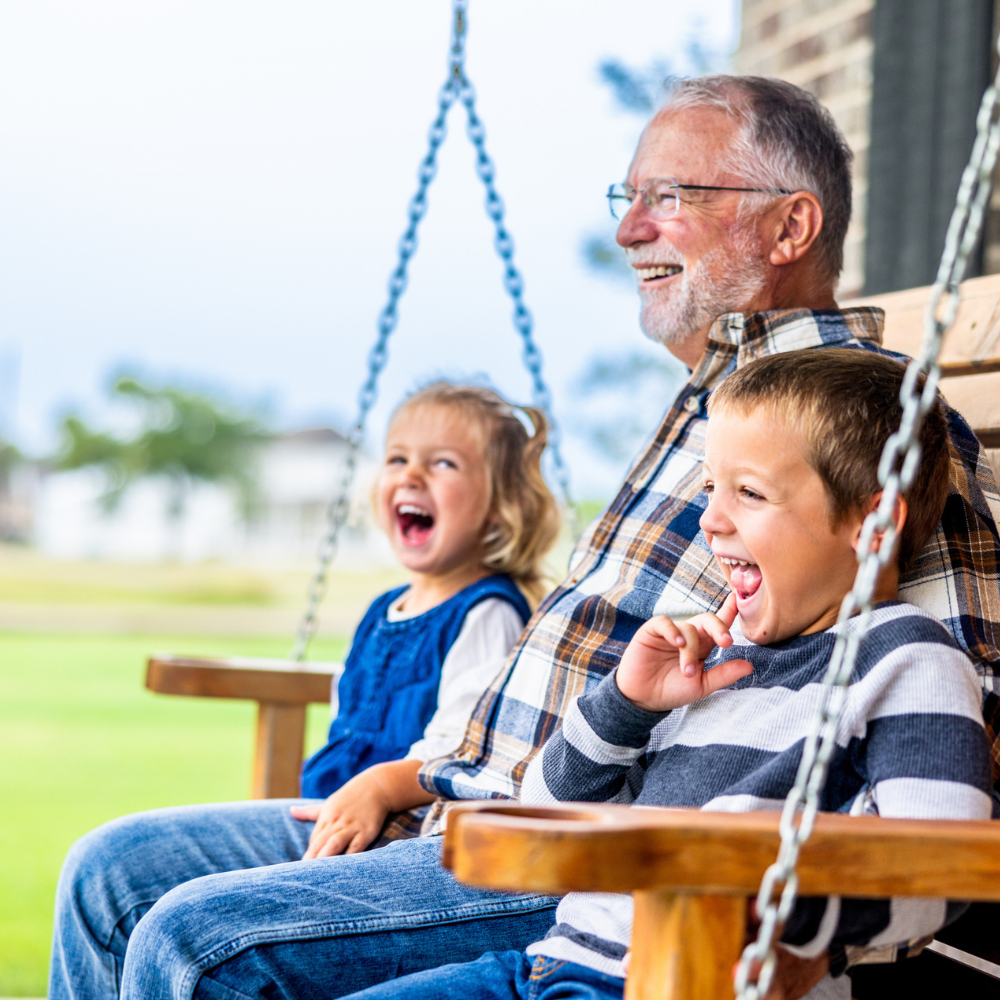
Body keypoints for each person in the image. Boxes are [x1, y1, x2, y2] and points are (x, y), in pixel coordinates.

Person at [50, 76, 1000, 1000]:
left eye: (669, 196)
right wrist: (416, 775)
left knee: (200, 943)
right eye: (629, 197)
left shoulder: (862, 425)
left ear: (791, 226)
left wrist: (790, 926)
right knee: (108, 876)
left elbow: (953, 720)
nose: (630, 228)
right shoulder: (721, 410)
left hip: (581, 860)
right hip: (461, 799)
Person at [330, 348, 994, 1000]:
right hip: (547, 964)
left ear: (874, 525)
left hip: (682, 976)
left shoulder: (909, 659)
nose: (711, 519)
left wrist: (786, 930)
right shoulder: (712, 659)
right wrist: (626, 703)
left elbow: (942, 867)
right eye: (711, 488)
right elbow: (546, 808)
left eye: (749, 493)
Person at [292, 381, 560, 857]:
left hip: (403, 830)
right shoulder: (383, 609)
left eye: (443, 463)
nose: (412, 474)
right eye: (397, 458)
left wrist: (377, 789)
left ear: (500, 509)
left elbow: (465, 748)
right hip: (335, 811)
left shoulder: (488, 612)